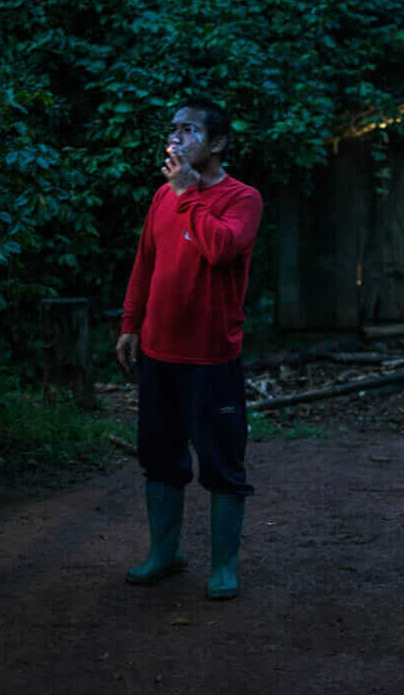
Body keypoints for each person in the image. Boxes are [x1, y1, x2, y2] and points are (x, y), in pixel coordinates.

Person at [116, 96, 263, 600]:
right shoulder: (162, 197)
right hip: (159, 354)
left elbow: (221, 249)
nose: (176, 137)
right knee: (159, 457)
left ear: (217, 142)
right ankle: (165, 552)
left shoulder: (242, 199)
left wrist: (188, 193)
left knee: (222, 462)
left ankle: (223, 567)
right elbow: (145, 263)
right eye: (173, 128)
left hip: (212, 359)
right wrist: (131, 323)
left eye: (189, 130)